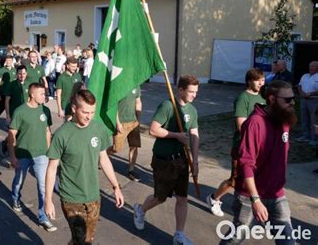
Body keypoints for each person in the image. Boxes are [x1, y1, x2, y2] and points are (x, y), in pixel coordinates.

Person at [219, 80, 297, 244]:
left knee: (288, 240)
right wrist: (255, 200)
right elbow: (246, 163)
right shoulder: (255, 123)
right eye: (287, 100)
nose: (292, 103)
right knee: (235, 238)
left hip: (277, 194)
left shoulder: (284, 119)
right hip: (250, 196)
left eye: (292, 98)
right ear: (272, 99)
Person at [45, 90, 124, 244]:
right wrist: (48, 200)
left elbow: (104, 159)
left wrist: (116, 187)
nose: (89, 116)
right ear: (74, 109)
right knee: (82, 240)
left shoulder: (98, 129)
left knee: (87, 237)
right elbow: (52, 169)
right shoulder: (62, 135)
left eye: (92, 112)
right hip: (71, 197)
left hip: (93, 195)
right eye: (85, 112)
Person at [134, 75, 200, 245]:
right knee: (160, 197)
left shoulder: (192, 110)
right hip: (163, 160)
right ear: (180, 90)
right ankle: (141, 210)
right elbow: (153, 130)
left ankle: (179, 234)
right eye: (191, 91)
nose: (194, 95)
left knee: (182, 198)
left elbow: (194, 136)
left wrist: (195, 161)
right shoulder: (168, 106)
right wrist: (176, 136)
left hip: (182, 160)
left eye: (196, 92)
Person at [207, 68, 265, 217]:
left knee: (254, 178)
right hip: (242, 146)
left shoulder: (263, 100)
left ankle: (251, 204)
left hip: (258, 148)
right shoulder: (243, 98)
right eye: (258, 80)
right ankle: (214, 198)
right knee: (235, 179)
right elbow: (241, 125)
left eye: (262, 80)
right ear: (249, 81)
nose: (261, 83)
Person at [7, 83, 57, 232]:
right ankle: (15, 198)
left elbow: (48, 132)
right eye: (41, 94)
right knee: (18, 182)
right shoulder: (20, 111)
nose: (44, 96)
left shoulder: (45, 110)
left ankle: (43, 218)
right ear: (32, 94)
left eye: (45, 93)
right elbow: (12, 136)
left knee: (43, 186)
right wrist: (12, 156)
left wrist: (49, 152)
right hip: (23, 154)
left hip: (41, 155)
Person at [108, 86, 143, 182]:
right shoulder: (121, 84)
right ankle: (104, 155)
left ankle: (131, 170)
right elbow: (113, 105)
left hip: (134, 122)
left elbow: (138, 102)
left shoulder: (137, 86)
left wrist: (138, 120)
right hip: (121, 123)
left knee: (134, 147)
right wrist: (117, 123)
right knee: (116, 148)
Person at [296, 61, 318, 146]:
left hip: (314, 100)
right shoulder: (305, 76)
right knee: (304, 118)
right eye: (310, 66)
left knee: (314, 120)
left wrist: (311, 93)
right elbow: (299, 86)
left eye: (313, 66)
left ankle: (314, 138)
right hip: (303, 99)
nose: (311, 68)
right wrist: (301, 92)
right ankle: (305, 136)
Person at [0, 55, 17, 126]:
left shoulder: (14, 70)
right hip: (3, 92)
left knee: (11, 107)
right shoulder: (2, 70)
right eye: (7, 61)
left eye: (10, 61)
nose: (8, 62)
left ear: (12, 61)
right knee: (2, 107)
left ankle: (9, 121)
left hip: (12, 93)